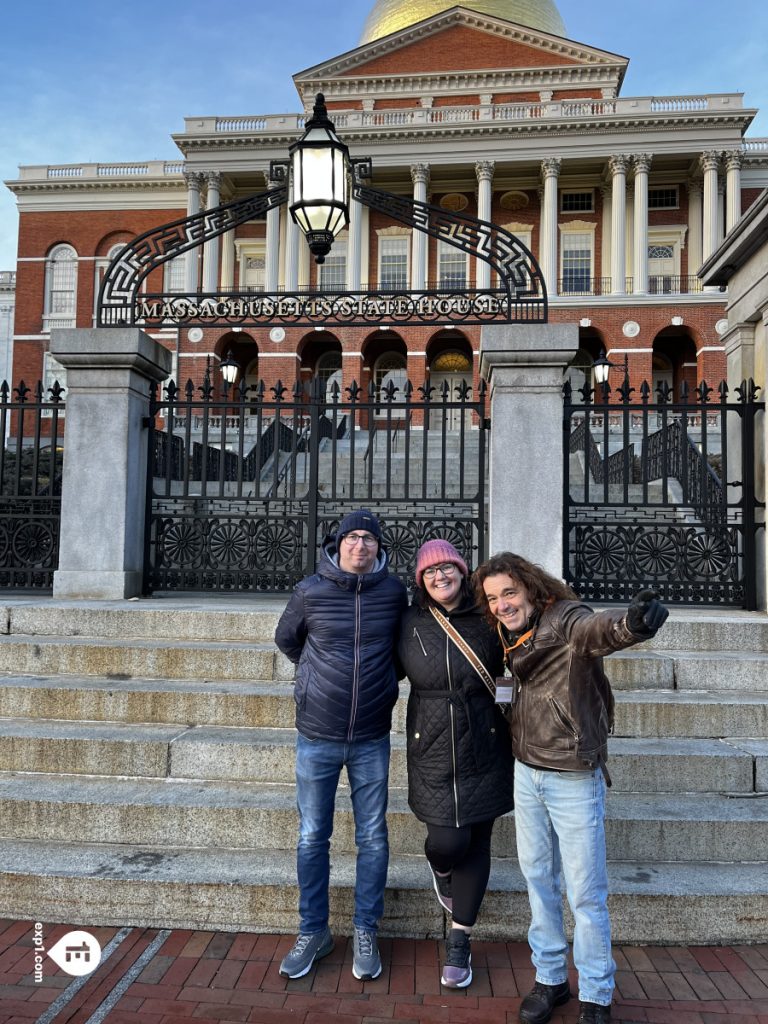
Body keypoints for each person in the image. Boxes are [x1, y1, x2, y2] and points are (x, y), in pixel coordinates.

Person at [473, 553, 668, 1024]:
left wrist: (634, 623)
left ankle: (597, 995)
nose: (502, 604)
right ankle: (551, 979)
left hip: (573, 773)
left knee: (584, 892)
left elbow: (597, 630)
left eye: (510, 593)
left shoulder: (563, 618)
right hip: (526, 772)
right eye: (494, 598)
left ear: (532, 588)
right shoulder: (505, 634)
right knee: (539, 883)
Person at [275, 509, 408, 981]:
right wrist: (314, 679)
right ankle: (313, 930)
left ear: (378, 546)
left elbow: (403, 648)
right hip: (317, 733)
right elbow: (287, 640)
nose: (360, 545)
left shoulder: (393, 592)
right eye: (352, 537)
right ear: (338, 543)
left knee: (372, 835)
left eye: (368, 538)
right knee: (313, 836)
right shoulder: (310, 590)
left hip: (371, 734)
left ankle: (366, 928)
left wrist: (385, 681)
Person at [398, 539, 515, 989]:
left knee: (478, 840)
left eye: (448, 567)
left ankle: (460, 941)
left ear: (463, 572)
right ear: (421, 581)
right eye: (430, 571)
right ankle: (441, 870)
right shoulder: (409, 621)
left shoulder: (488, 616)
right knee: (447, 840)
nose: (440, 576)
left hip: (485, 737)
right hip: (431, 742)